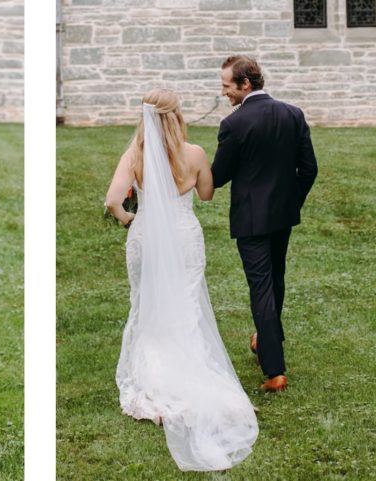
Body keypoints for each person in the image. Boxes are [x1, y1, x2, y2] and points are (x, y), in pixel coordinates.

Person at [105, 89, 258, 471]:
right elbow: (206, 194)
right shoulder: (195, 154)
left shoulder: (134, 156)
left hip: (147, 238)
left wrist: (132, 220)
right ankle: (192, 373)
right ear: (176, 116)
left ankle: (154, 374)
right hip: (184, 235)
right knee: (188, 305)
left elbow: (112, 202)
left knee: (145, 302)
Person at [212, 55, 318, 392]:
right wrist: (291, 201)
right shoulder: (293, 113)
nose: (224, 92)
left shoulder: (234, 124)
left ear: (246, 84)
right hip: (283, 216)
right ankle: (266, 338)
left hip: (251, 218)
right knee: (275, 278)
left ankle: (274, 371)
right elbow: (309, 169)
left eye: (227, 86)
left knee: (261, 287)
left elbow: (218, 177)